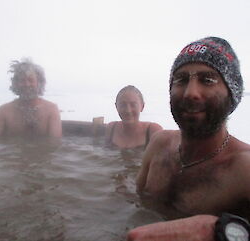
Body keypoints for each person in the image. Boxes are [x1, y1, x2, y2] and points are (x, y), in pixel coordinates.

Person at [127, 37, 250, 240]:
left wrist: (218, 230)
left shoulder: (244, 168)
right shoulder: (159, 144)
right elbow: (136, 203)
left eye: (207, 80)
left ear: (231, 94)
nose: (190, 92)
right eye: (181, 80)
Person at [0, 58, 62, 143]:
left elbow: (55, 144)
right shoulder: (4, 111)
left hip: (41, 155)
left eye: (30, 80)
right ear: (15, 83)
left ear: (39, 82)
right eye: (22, 80)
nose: (26, 84)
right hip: (13, 155)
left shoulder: (51, 110)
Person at [105, 85, 162, 150]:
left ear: (142, 106)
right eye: (123, 105)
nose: (128, 110)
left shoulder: (152, 131)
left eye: (133, 105)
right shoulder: (112, 128)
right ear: (116, 107)